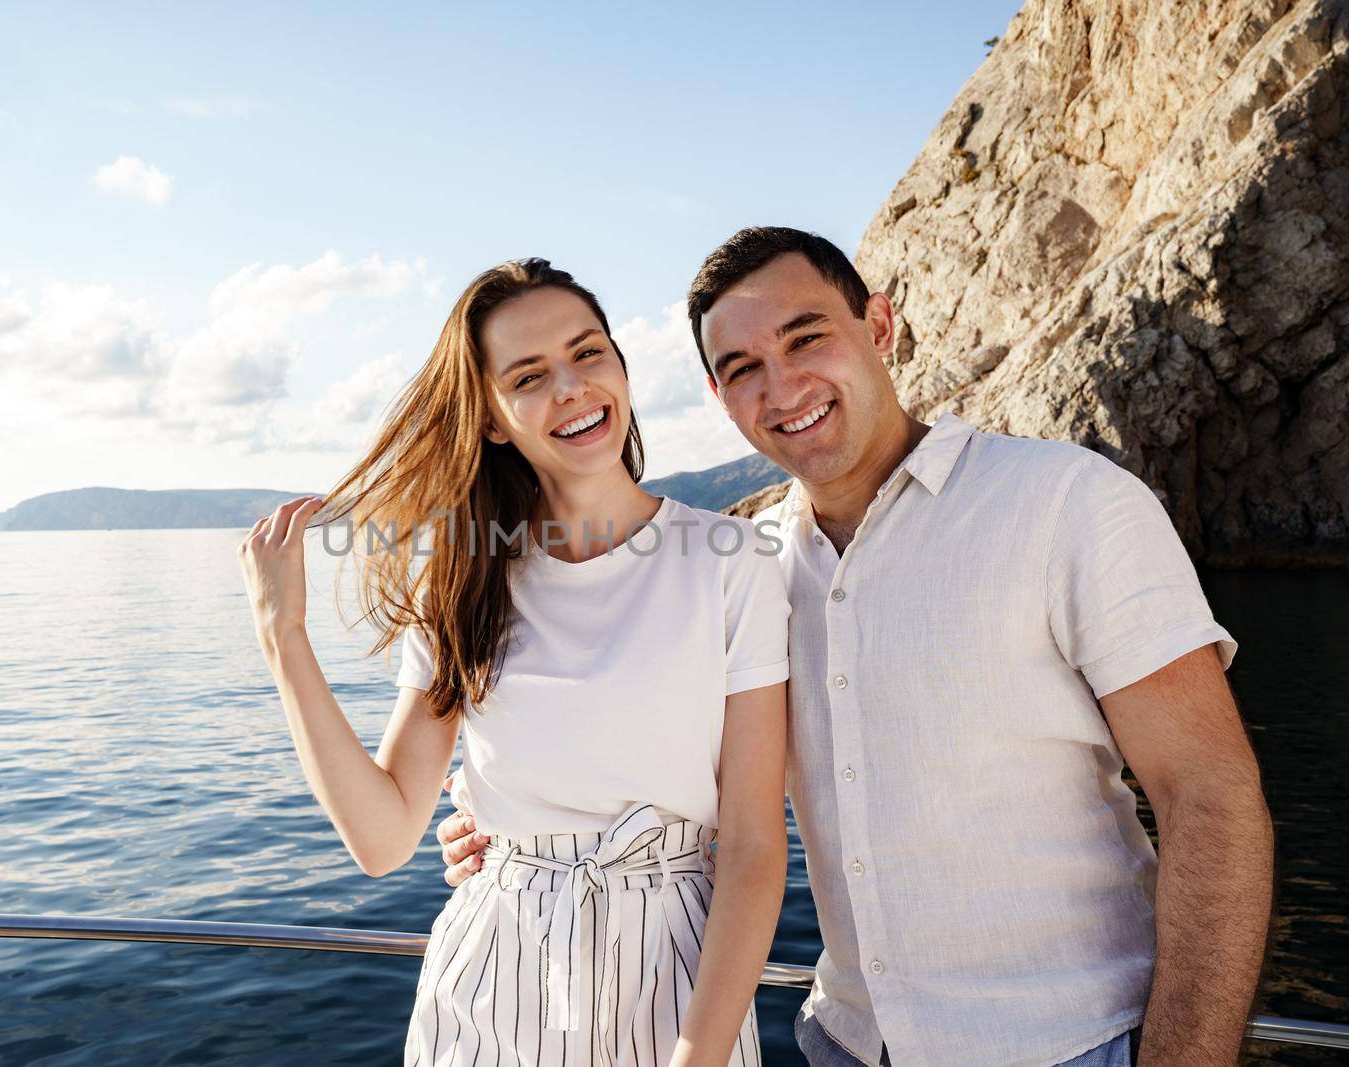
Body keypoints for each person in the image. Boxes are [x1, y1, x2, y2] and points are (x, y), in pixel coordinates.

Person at [439, 229, 1274, 1067]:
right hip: (843, 1044)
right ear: (719, 398)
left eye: (807, 337)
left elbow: (1210, 797)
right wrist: (512, 820)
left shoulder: (1067, 501)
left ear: (878, 326)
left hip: (1067, 1043)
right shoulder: (748, 570)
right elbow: (678, 779)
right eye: (742, 368)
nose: (784, 384)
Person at [237, 257, 793, 1066]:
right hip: (496, 972)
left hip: (676, 977)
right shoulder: (463, 575)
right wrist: (283, 636)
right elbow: (385, 836)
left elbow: (752, 846)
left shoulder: (730, 560)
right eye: (530, 375)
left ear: (621, 365)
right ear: (493, 418)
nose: (571, 386)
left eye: (589, 352)